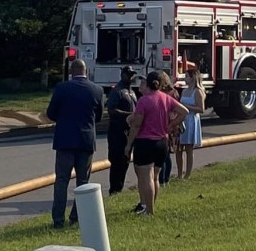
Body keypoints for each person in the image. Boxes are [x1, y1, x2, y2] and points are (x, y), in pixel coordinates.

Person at [45, 58, 104, 229]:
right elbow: (99, 116)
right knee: (83, 181)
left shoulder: (62, 88)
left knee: (62, 180)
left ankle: (58, 220)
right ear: (86, 71)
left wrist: (64, 121)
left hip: (65, 140)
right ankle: (77, 216)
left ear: (72, 71)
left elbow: (51, 113)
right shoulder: (97, 90)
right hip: (86, 141)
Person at [125, 70, 188, 216]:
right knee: (155, 177)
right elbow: (184, 111)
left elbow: (137, 125)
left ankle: (149, 211)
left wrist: (128, 144)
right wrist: (171, 125)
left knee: (146, 177)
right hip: (162, 142)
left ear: (148, 84)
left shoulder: (144, 101)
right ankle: (151, 206)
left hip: (145, 142)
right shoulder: (166, 98)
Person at [106, 66, 137, 196]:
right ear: (122, 75)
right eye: (128, 74)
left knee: (125, 161)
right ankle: (114, 190)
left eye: (132, 75)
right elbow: (111, 110)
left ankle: (120, 188)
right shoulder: (117, 91)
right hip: (117, 132)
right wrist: (129, 114)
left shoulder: (132, 92)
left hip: (128, 132)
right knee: (117, 161)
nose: (130, 77)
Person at [175, 64, 206, 180]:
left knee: (188, 149)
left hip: (192, 120)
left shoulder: (198, 92)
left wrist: (186, 107)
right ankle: (179, 174)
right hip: (182, 120)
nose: (185, 79)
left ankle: (187, 174)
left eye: (187, 76)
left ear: (192, 78)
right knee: (179, 148)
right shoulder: (184, 91)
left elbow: (201, 109)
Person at [157, 72, 180, 186]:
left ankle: (163, 179)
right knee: (166, 154)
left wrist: (171, 125)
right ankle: (165, 179)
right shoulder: (171, 92)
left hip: (168, 125)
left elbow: (175, 111)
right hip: (167, 124)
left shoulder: (170, 94)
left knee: (165, 155)